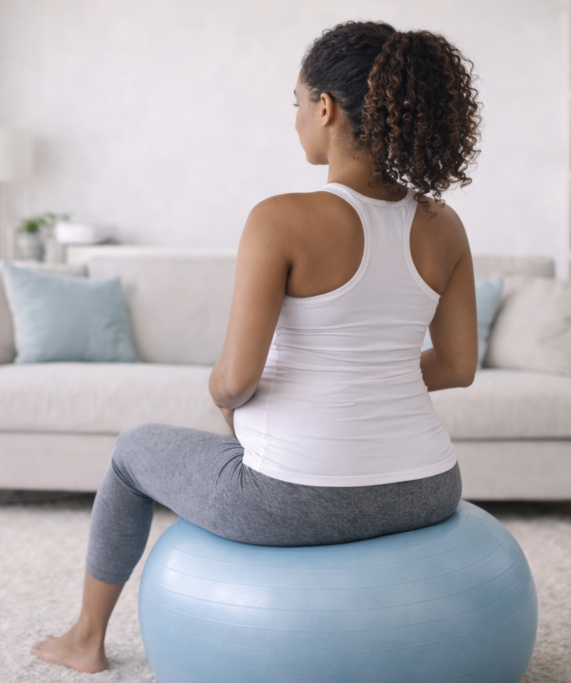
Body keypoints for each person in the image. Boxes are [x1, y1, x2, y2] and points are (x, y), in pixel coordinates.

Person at [32, 20, 482, 673]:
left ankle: (83, 638)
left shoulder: (282, 217)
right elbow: (457, 367)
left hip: (297, 499)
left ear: (325, 107)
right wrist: (367, 371)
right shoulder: (444, 226)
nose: (296, 117)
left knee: (133, 452)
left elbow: (234, 380)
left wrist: (226, 399)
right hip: (428, 485)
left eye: (296, 102)